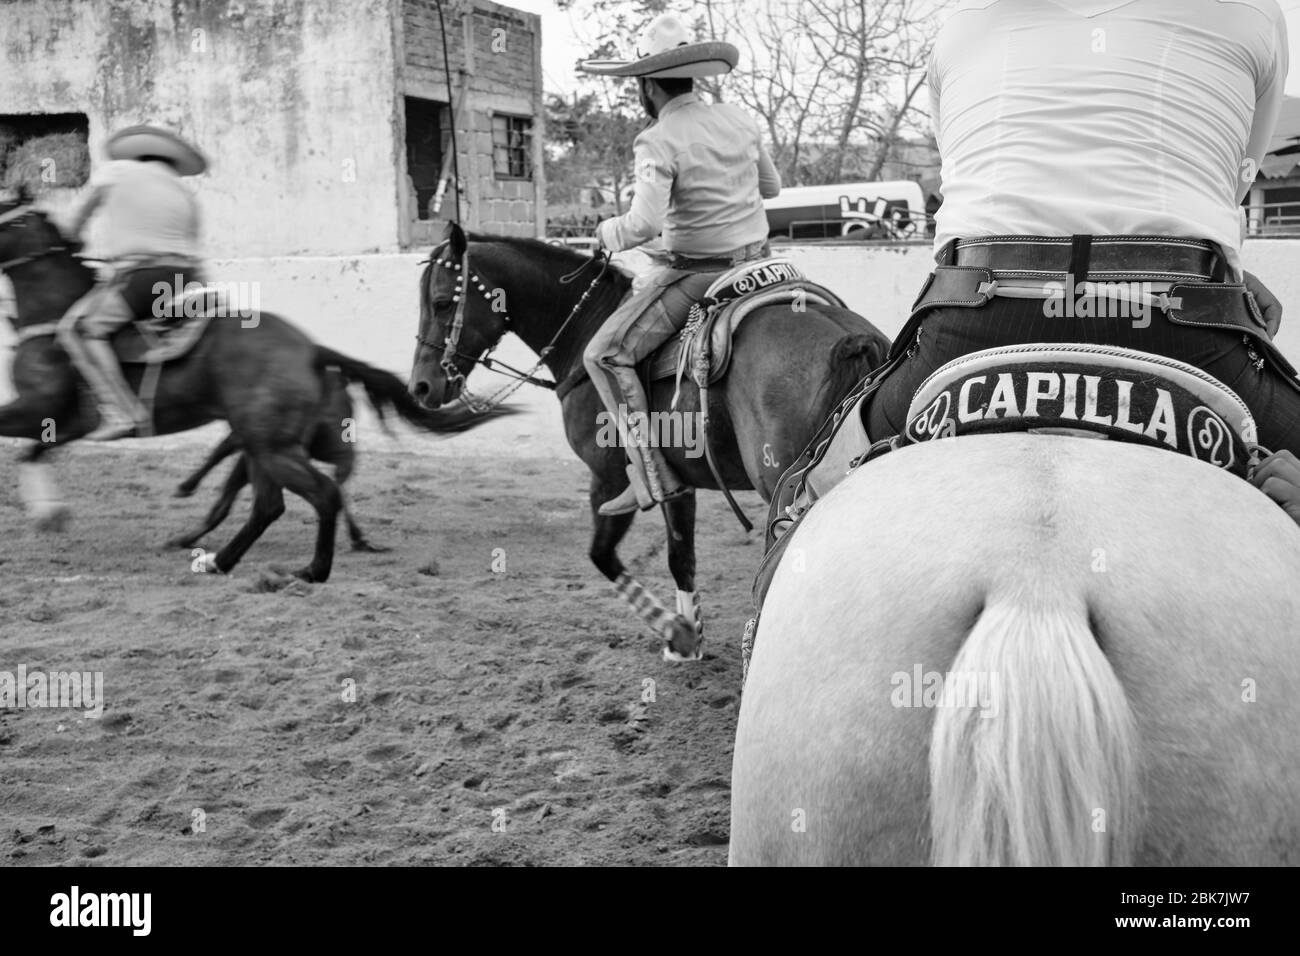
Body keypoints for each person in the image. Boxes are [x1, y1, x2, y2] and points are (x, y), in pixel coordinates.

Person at [860, 0, 1298, 470]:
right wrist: (1216, 268)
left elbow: (964, 170)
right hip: (1176, 322)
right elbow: (1233, 181)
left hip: (976, 319)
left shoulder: (962, 17)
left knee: (826, 472)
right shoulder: (1252, 11)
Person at [579, 11, 782, 515]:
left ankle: (653, 478)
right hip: (766, 267)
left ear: (646, 87)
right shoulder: (740, 119)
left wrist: (605, 233)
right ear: (695, 77)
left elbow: (643, 226)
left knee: (603, 355)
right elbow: (772, 188)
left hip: (700, 275)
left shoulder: (656, 139)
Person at [56, 125, 207, 441]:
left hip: (142, 277)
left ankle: (121, 414)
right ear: (171, 164)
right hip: (186, 278)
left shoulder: (116, 171)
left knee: (80, 331)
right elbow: (194, 249)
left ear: (135, 154)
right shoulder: (185, 193)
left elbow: (72, 224)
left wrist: (73, 240)